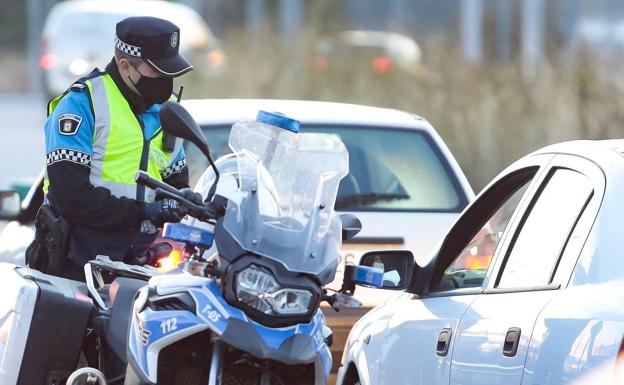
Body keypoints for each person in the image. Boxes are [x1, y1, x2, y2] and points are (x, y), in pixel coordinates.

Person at [35, 16, 202, 280]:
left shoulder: (167, 109)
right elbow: (71, 196)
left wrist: (188, 200)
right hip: (78, 261)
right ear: (125, 66)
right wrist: (145, 213)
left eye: (170, 72)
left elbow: (176, 181)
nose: (166, 80)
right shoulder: (82, 104)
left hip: (143, 261)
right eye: (157, 72)